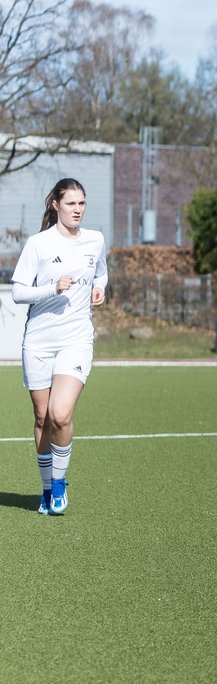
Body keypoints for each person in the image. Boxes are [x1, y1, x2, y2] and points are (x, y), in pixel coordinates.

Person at [10, 178, 108, 516]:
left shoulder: (95, 240)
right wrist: (52, 288)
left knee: (60, 414)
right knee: (41, 418)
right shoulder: (38, 244)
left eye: (82, 203)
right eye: (71, 204)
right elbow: (19, 292)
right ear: (56, 205)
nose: (78, 210)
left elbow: (101, 273)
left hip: (76, 339)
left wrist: (99, 287)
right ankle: (47, 487)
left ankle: (60, 483)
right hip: (38, 341)